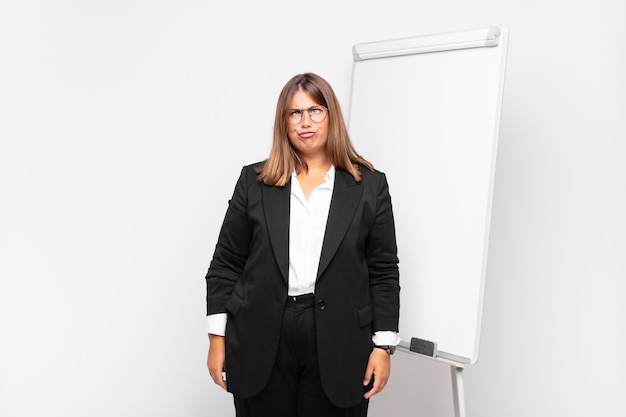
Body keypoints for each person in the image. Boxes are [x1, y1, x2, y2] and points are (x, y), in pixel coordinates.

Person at [205, 72, 400, 417]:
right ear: (284, 122)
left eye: (315, 111)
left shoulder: (369, 186)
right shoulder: (254, 182)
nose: (305, 122)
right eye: (294, 113)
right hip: (263, 330)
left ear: (331, 116)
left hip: (338, 336)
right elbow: (226, 263)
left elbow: (383, 271)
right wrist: (216, 339)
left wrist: (383, 345)